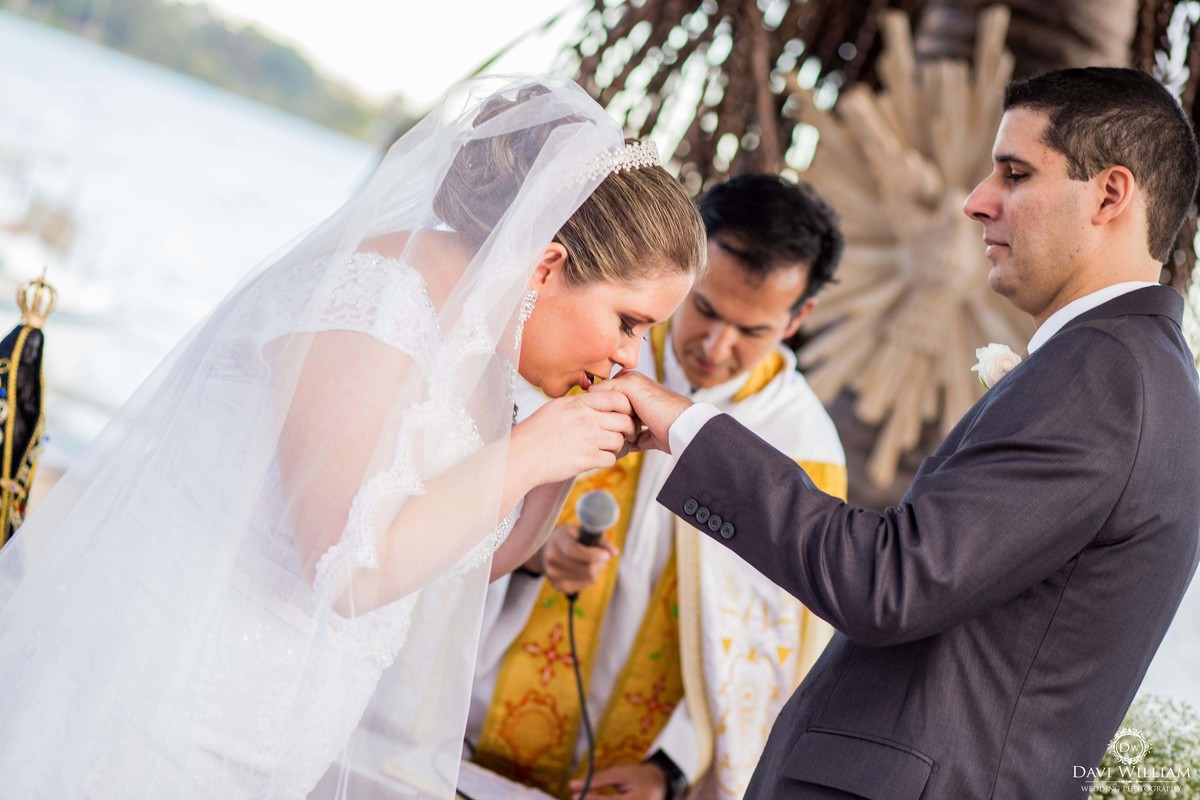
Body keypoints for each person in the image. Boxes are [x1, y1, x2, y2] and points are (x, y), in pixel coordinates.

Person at [0, 75, 706, 800]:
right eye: (629, 322)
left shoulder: (481, 358)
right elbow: (351, 567)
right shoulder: (374, 304)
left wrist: (561, 462)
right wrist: (531, 450)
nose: (631, 357)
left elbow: (463, 559)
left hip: (269, 744)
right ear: (547, 264)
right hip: (159, 707)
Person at [596, 67, 1200, 799]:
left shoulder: (1105, 378)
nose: (977, 203)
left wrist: (682, 427)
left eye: (1014, 174)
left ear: (1109, 194)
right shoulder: (1136, 372)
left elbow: (889, 583)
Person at [466, 175, 847, 800]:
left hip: (629, 764)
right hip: (478, 711)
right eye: (706, 309)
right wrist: (536, 557)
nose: (715, 347)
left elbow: (765, 647)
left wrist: (670, 768)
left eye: (752, 331)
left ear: (799, 316)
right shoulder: (577, 353)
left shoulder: (803, 448)